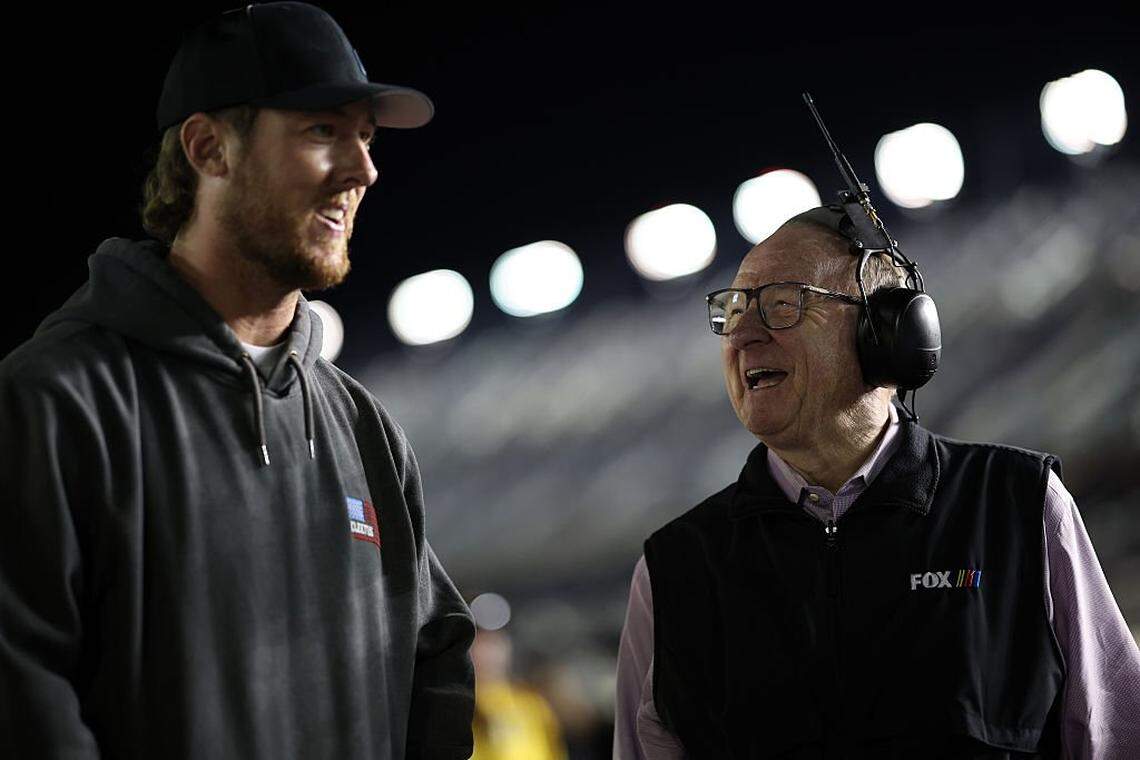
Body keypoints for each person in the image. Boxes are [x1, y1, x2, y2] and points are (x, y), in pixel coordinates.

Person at [0, 4, 474, 758]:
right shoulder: (59, 399)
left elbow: (437, 662)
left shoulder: (365, 430)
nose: (363, 169)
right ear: (208, 149)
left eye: (366, 136)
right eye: (323, 130)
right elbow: (22, 696)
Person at [613, 211, 1140, 758]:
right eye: (734, 308)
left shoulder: (1021, 504)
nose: (743, 334)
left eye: (781, 304)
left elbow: (1118, 738)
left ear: (886, 334)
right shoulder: (672, 570)